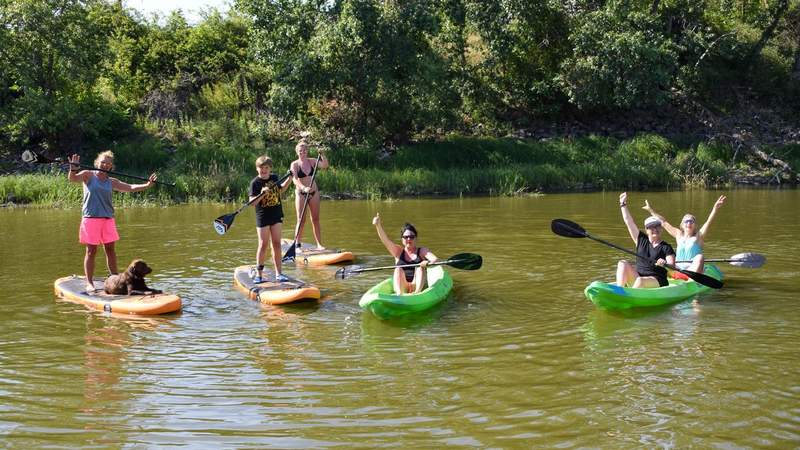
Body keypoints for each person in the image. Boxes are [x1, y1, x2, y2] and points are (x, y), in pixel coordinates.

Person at [67, 151, 157, 293]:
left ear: (110, 167)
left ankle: (114, 279)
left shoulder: (111, 181)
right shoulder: (88, 175)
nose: (105, 165)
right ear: (98, 162)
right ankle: (89, 282)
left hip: (108, 219)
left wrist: (147, 185)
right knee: (91, 251)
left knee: (110, 250)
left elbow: (130, 187)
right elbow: (73, 178)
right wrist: (73, 168)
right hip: (91, 219)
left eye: (108, 163)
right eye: (103, 162)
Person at [642, 194, 726, 276]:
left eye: (691, 221)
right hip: (678, 269)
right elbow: (663, 222)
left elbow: (708, 222)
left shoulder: (698, 236)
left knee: (700, 257)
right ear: (682, 225)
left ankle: (694, 279)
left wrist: (714, 209)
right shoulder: (678, 235)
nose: (689, 223)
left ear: (695, 225)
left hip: (692, 269)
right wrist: (651, 210)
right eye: (686, 221)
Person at [616, 192, 676, 288]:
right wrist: (623, 204)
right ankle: (619, 291)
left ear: (661, 229)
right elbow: (629, 222)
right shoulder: (640, 239)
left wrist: (665, 265)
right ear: (646, 230)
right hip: (639, 278)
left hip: (657, 281)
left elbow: (673, 270)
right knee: (622, 263)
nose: (655, 229)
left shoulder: (666, 247)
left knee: (641, 281)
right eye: (651, 227)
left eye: (657, 226)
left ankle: (628, 297)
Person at [250, 155, 293, 283]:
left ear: (270, 169)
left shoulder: (274, 178)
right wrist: (262, 193)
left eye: (266, 168)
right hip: (263, 217)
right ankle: (259, 275)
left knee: (276, 243)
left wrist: (290, 178)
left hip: (276, 214)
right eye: (261, 168)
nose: (264, 170)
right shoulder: (255, 183)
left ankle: (279, 274)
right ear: (257, 169)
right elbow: (252, 203)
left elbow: (280, 191)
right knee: (263, 245)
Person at [372, 213, 438, 294]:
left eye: (411, 237)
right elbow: (386, 241)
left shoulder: (422, 251)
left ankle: (417, 293)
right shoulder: (398, 251)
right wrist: (378, 226)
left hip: (417, 284)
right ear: (402, 239)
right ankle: (399, 295)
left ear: (416, 238)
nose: (409, 239)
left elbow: (435, 259)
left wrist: (427, 262)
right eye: (406, 237)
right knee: (398, 269)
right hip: (403, 285)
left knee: (420, 267)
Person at [290, 139, 328, 250]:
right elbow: (295, 179)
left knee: (315, 219)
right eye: (301, 150)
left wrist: (322, 155)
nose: (303, 152)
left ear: (307, 151)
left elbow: (325, 165)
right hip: (301, 193)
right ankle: (297, 244)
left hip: (313, 193)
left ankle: (319, 245)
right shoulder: (295, 164)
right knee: (301, 220)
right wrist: (303, 188)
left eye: (305, 150)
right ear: (297, 152)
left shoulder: (312, 161)